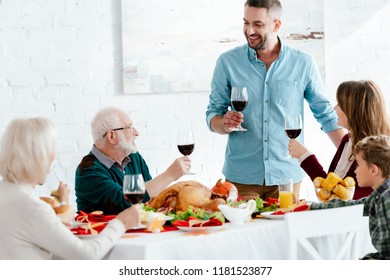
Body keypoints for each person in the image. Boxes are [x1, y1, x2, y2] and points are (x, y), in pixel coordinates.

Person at [205, 0, 344, 200]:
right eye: (246, 23)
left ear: (276, 25)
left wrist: (353, 155)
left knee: (285, 231)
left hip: (286, 177)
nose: (249, 30)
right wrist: (223, 124)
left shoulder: (303, 63)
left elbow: (325, 115)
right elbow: (212, 114)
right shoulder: (228, 62)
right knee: (245, 231)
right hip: (241, 179)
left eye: (258, 24)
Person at [0, 117, 141, 260]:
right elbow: (88, 255)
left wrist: (63, 204)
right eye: (50, 150)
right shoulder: (31, 206)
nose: (54, 156)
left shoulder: (7, 194)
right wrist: (120, 223)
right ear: (37, 157)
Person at [75, 106, 191, 214]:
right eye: (129, 128)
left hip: (137, 233)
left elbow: (150, 199)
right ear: (112, 136)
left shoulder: (133, 157)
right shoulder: (88, 171)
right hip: (105, 234)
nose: (136, 133)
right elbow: (126, 202)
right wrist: (169, 175)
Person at [289, 80, 390, 199]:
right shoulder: (347, 140)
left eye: (340, 104)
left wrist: (306, 157)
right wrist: (304, 157)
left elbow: (342, 199)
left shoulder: (377, 152)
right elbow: (330, 189)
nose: (335, 108)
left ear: (354, 110)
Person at [310, 135, 390, 260]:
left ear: (373, 170)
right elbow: (351, 206)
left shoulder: (387, 198)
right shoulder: (377, 197)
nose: (355, 171)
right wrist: (309, 206)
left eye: (358, 164)